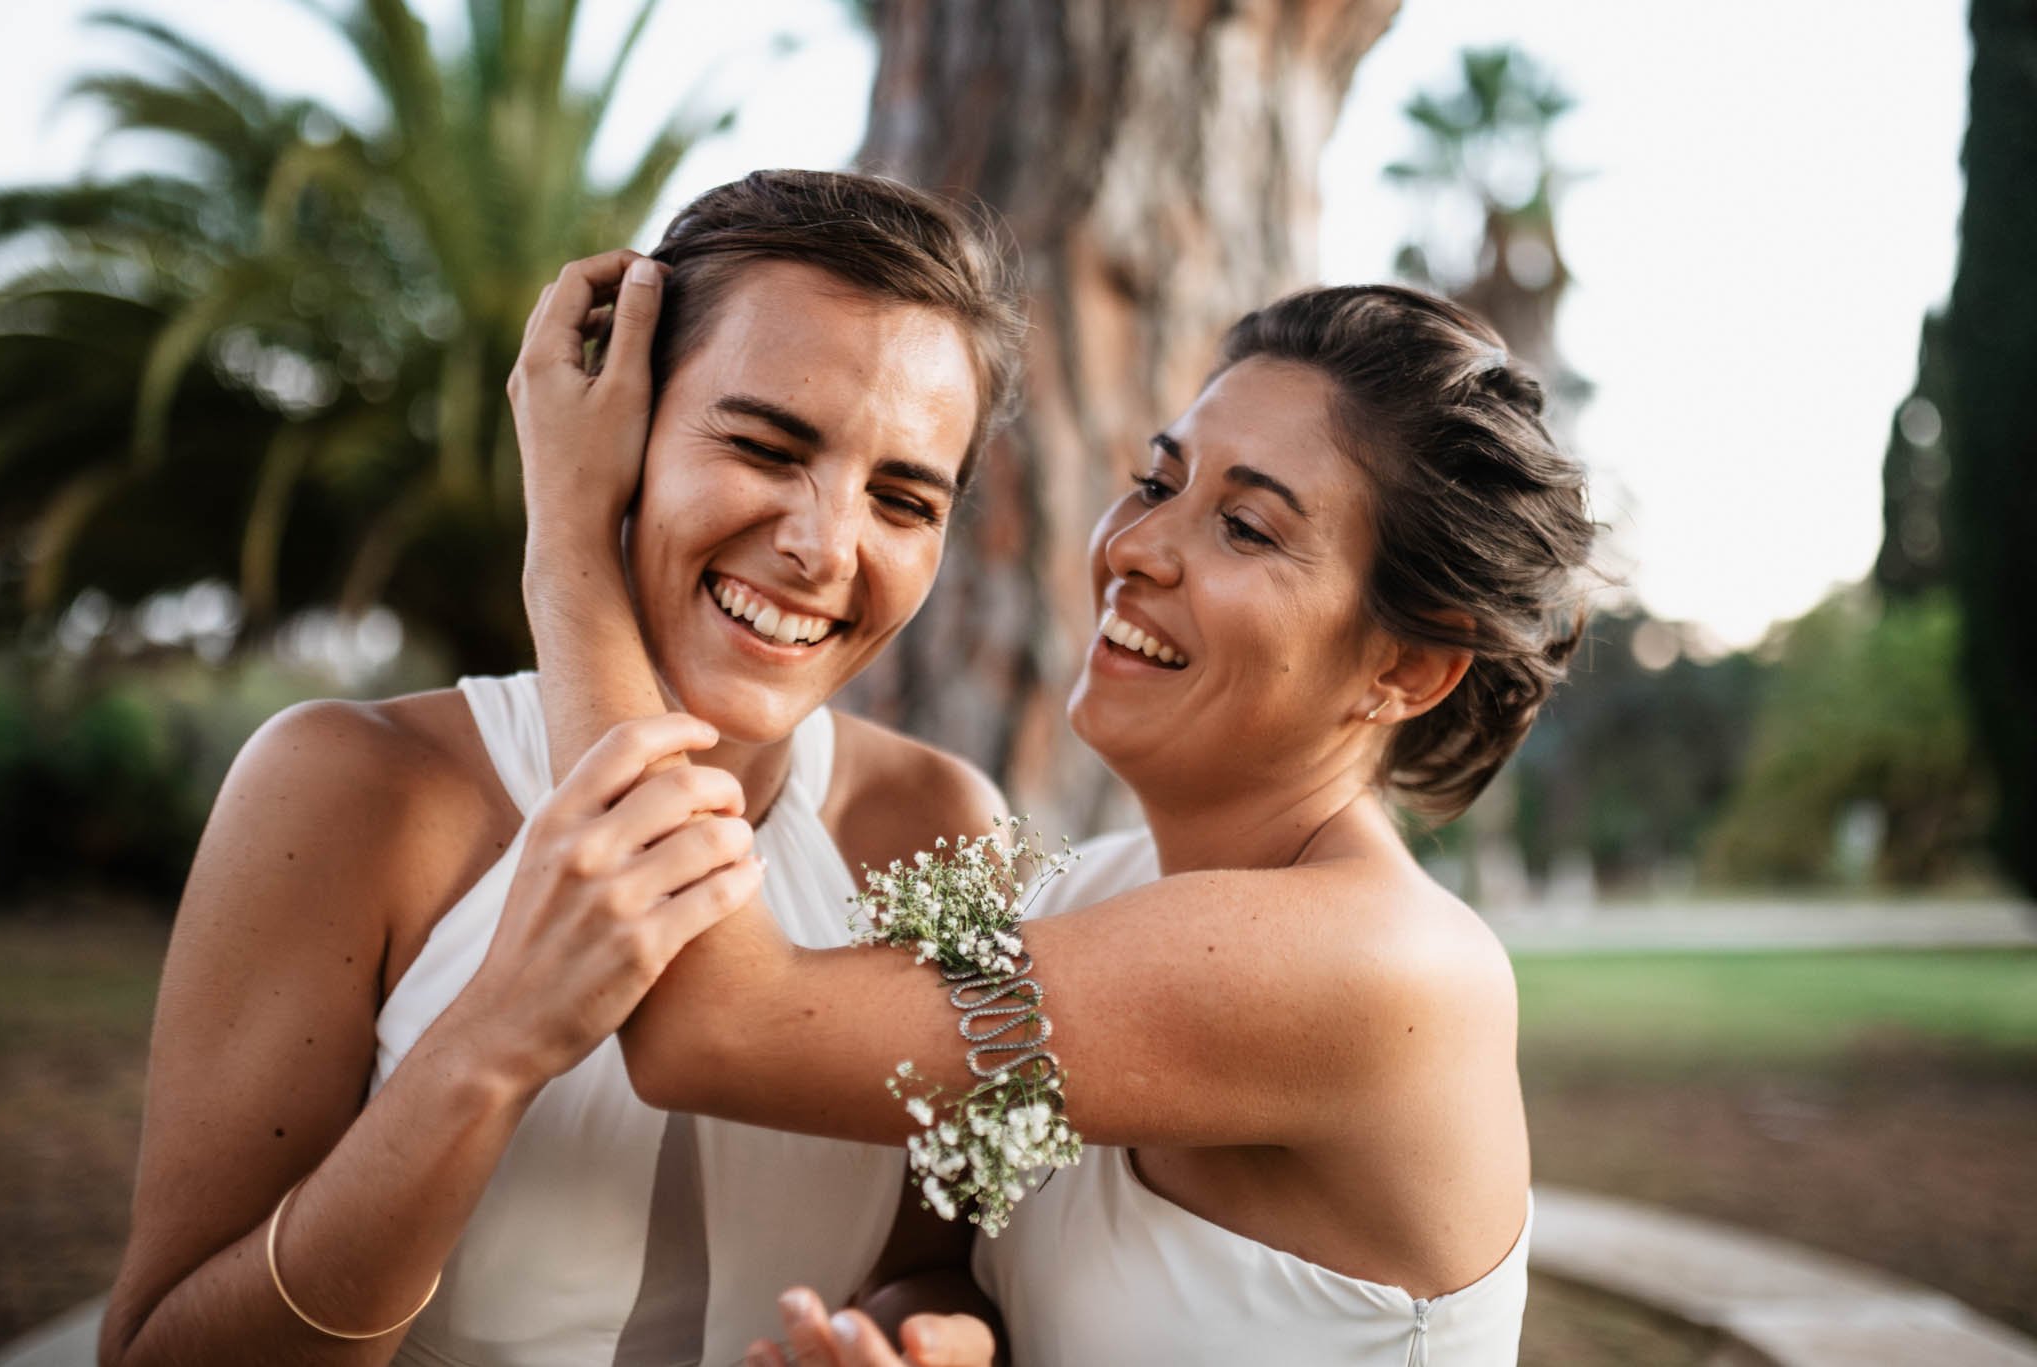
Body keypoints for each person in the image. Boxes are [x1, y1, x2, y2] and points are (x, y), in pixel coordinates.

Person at [516, 272, 1596, 1364]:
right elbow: (955, 1265)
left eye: (1244, 526)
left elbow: (710, 1021)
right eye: (1154, 481)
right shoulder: (1082, 897)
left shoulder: (1378, 962)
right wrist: (933, 1337)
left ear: (1407, 664)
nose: (1135, 547)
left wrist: (569, 533)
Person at [98, 170, 1026, 1367]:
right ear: (616, 427)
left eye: (903, 497)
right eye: (760, 443)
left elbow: (939, 1262)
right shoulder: (346, 788)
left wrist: (918, 1342)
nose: (822, 545)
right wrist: (493, 1040)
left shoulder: (945, 824)